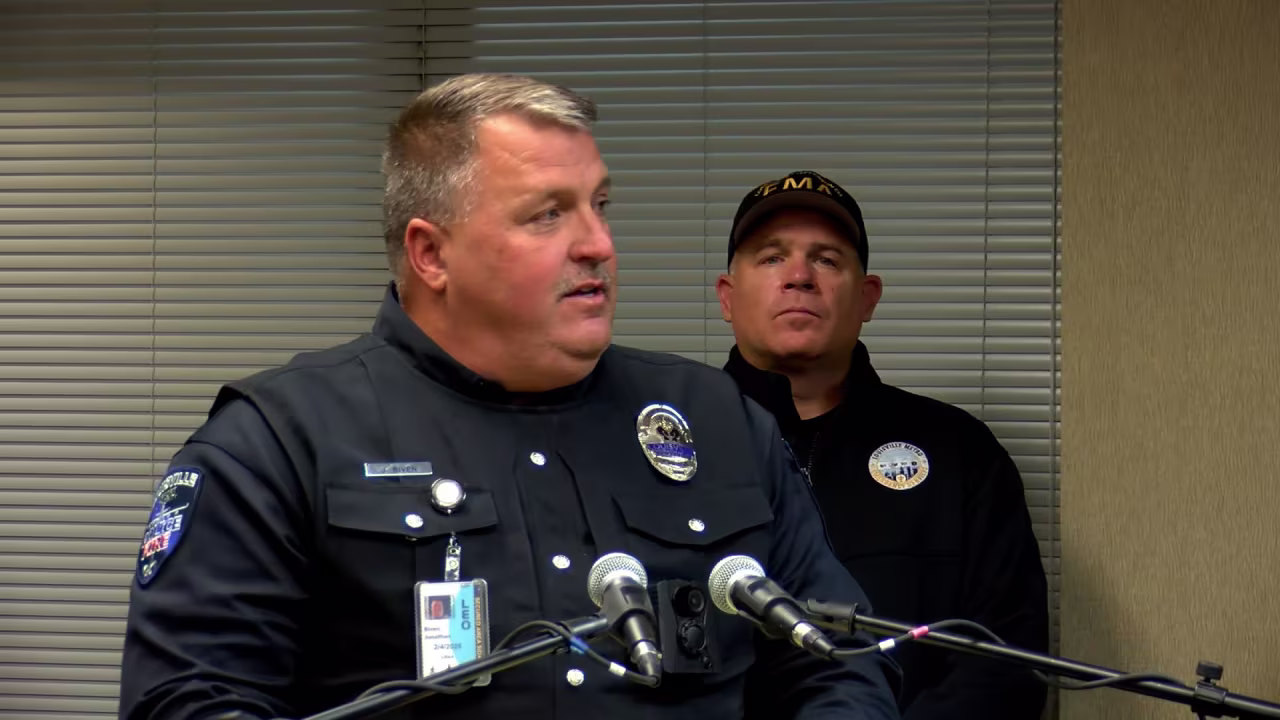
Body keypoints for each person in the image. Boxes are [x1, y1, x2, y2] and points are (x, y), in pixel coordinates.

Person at [118, 76, 901, 720]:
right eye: (548, 214)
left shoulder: (716, 419)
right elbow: (190, 701)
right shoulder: (282, 442)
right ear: (431, 253)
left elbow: (839, 668)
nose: (597, 242)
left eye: (600, 204)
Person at [715, 170, 1050, 719]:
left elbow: (1008, 660)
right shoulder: (668, 447)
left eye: (826, 259)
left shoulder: (958, 452)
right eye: (772, 257)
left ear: (868, 296)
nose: (799, 276)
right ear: (728, 296)